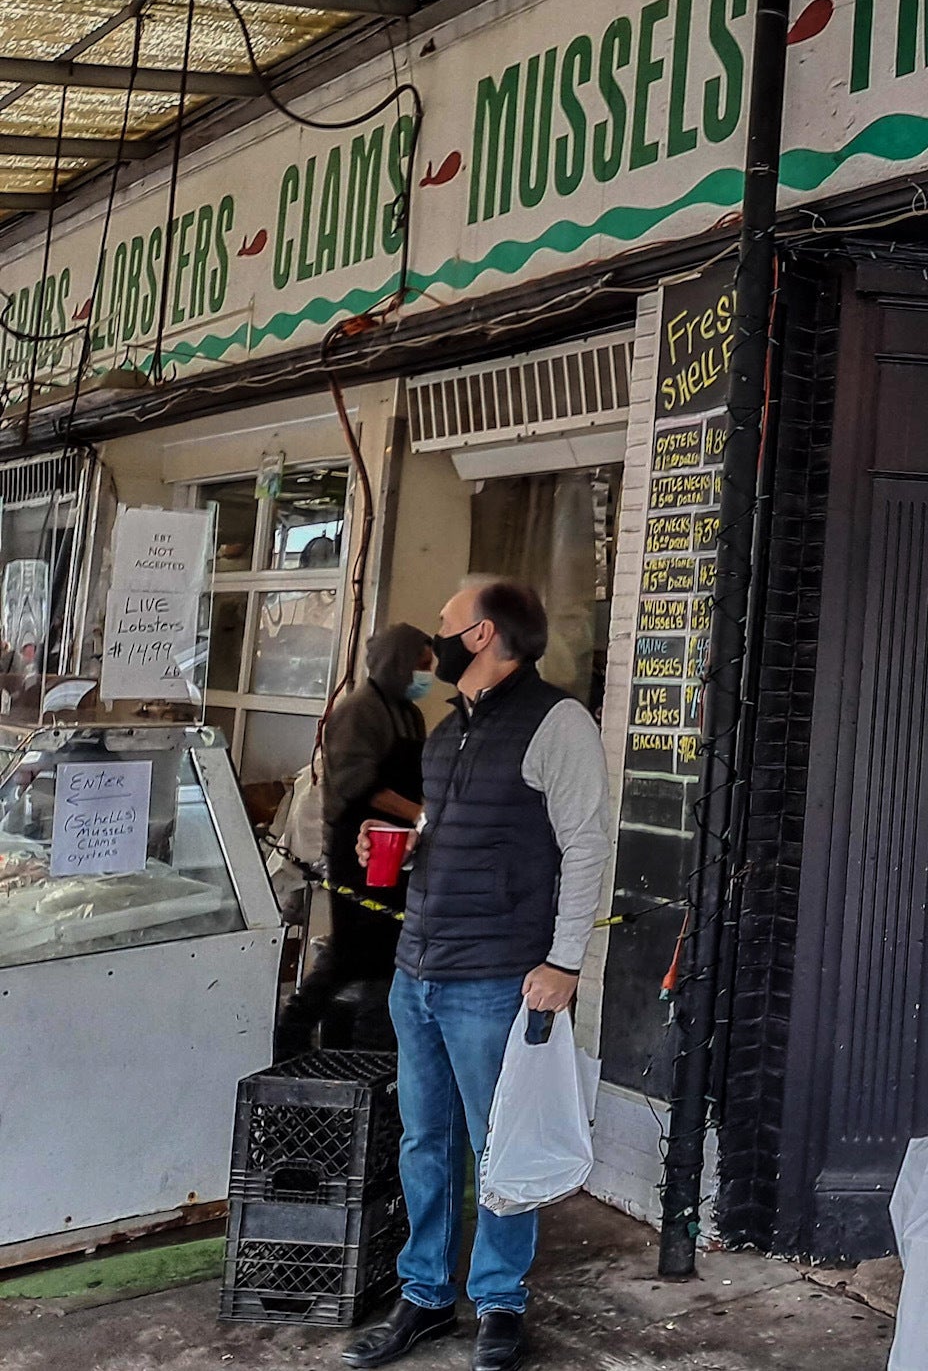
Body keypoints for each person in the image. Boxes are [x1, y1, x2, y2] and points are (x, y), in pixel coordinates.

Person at [341, 581, 611, 1371]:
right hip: (419, 965)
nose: (437, 641)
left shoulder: (559, 722)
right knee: (426, 1140)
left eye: (447, 627)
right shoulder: (446, 726)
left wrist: (564, 961)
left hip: (497, 976)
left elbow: (587, 843)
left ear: (485, 634)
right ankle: (424, 1294)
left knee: (503, 1147)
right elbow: (451, 827)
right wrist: (399, 842)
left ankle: (499, 1299)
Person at [275, 623, 433, 1057]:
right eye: (423, 663)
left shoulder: (409, 713)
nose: (429, 672)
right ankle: (292, 1035)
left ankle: (374, 1048)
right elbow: (358, 783)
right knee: (349, 951)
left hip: (398, 850)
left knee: (387, 950)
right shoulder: (357, 711)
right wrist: (421, 815)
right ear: (399, 662)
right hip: (357, 849)